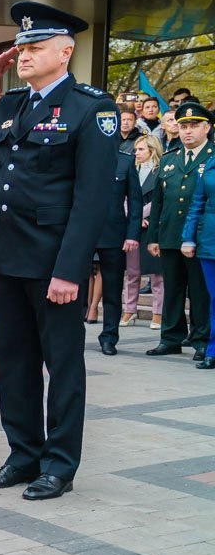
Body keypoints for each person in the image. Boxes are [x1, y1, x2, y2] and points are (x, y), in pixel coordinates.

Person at [0, 0, 118, 501]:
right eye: (19, 47)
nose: (23, 54)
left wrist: (70, 270)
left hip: (53, 261)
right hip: (6, 254)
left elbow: (91, 198)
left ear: (65, 52)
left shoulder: (92, 108)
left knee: (62, 365)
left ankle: (59, 465)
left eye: (34, 46)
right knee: (14, 362)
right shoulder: (12, 104)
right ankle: (23, 454)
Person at [145, 101, 213, 362]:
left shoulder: (213, 157)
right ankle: (171, 338)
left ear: (207, 128)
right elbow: (160, 202)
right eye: (183, 126)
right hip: (171, 234)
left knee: (199, 291)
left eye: (194, 125)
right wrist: (154, 238)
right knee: (172, 289)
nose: (187, 131)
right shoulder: (170, 159)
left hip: (200, 237)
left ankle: (200, 339)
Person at [93, 151, 142, 355]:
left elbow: (135, 200)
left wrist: (132, 234)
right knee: (74, 284)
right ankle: (72, 335)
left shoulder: (125, 160)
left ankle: (109, 337)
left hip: (114, 233)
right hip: (83, 232)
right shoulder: (84, 154)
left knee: (113, 290)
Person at [123, 135, 164, 329]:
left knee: (157, 275)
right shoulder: (131, 170)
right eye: (136, 150)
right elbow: (124, 196)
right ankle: (129, 311)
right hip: (133, 227)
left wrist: (137, 216)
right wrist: (132, 217)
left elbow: (157, 200)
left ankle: (158, 313)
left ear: (152, 150)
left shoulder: (160, 172)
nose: (136, 153)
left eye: (141, 149)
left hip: (151, 226)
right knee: (132, 273)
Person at [182, 152, 215, 369]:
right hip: (210, 240)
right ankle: (212, 351)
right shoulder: (210, 163)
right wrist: (188, 237)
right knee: (214, 299)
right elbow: (197, 203)